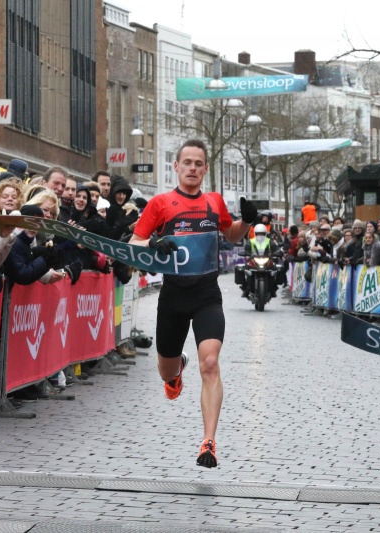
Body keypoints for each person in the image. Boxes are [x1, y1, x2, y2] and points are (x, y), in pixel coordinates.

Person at [129, 139, 256, 468]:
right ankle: (176, 372)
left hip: (206, 295)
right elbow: (135, 242)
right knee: (165, 371)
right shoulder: (161, 203)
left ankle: (208, 442)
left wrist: (248, 221)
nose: (193, 168)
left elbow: (231, 235)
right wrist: (154, 243)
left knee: (210, 363)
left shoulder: (214, 202)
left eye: (199, 163)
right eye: (187, 162)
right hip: (173, 296)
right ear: (176, 166)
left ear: (205, 169)